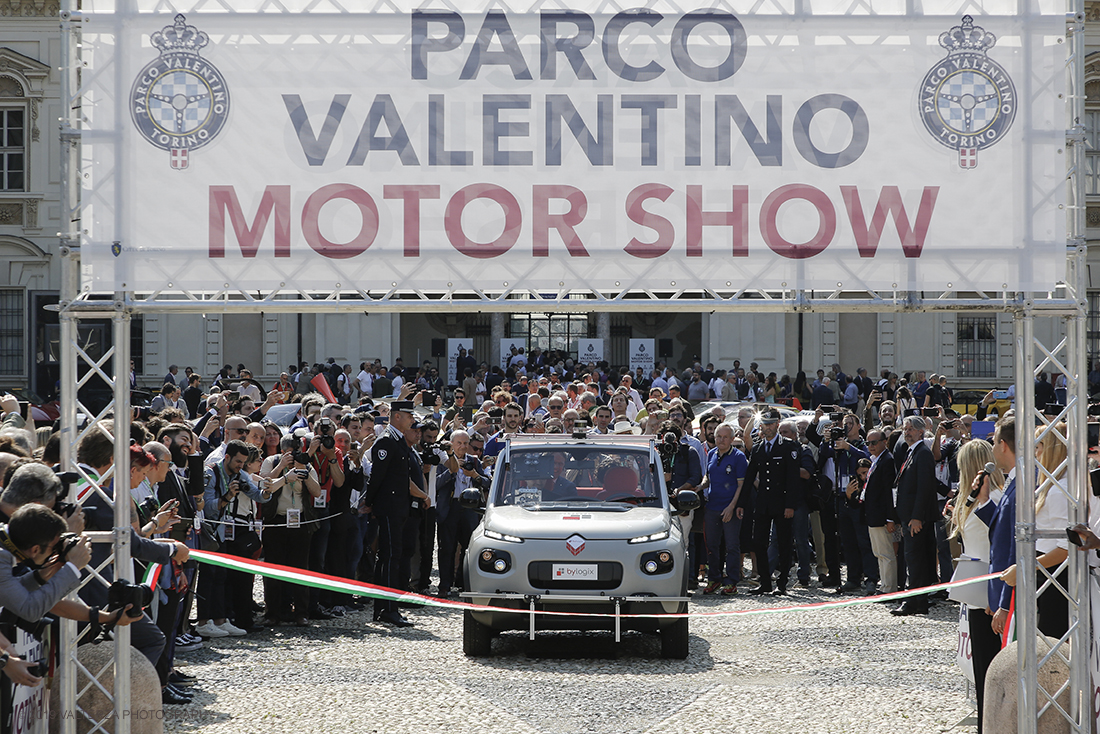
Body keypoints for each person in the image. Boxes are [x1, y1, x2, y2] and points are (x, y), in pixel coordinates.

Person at [949, 439, 1004, 734]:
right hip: (974, 587)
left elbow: (998, 542)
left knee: (990, 667)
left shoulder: (994, 496)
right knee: (981, 666)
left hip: (989, 590)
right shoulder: (972, 496)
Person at [362, 400, 416, 627]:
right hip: (389, 507)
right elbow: (377, 476)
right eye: (408, 416)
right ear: (396, 417)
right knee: (389, 557)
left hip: (398, 506)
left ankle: (388, 607)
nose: (412, 420)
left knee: (393, 556)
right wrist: (370, 502)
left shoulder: (398, 441)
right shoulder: (386, 441)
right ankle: (386, 608)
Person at [742, 409, 800, 596]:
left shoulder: (789, 447)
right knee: (758, 542)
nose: (767, 428)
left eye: (770, 424)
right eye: (764, 424)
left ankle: (782, 583)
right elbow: (750, 477)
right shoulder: (758, 448)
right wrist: (741, 503)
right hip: (763, 503)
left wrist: (790, 505)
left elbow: (793, 479)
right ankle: (765, 582)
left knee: (783, 543)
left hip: (782, 502)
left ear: (777, 424)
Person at [973, 415, 1017, 638]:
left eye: (994, 441)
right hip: (1003, 592)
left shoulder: (1023, 484)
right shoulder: (1013, 480)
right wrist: (984, 501)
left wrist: (1005, 603)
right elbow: (1002, 530)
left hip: (1012, 598)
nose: (992, 447)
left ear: (1003, 445)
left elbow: (1015, 549)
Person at [891, 415, 938, 616]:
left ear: (921, 431)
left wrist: (917, 516)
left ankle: (913, 601)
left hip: (916, 517)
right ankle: (919, 601)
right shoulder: (911, 452)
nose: (906, 432)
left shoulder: (923, 453)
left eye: (910, 429)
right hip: (908, 514)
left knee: (914, 558)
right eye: (905, 429)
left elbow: (925, 488)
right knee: (917, 558)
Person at [699, 424, 747, 595]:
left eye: (725, 437)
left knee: (732, 545)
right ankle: (714, 578)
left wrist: (731, 507)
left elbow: (741, 485)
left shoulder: (739, 457)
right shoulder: (711, 454)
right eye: (719, 436)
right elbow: (708, 477)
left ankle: (732, 581)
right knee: (712, 545)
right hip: (712, 506)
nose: (721, 439)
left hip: (730, 507)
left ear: (732, 439)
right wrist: (698, 487)